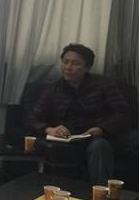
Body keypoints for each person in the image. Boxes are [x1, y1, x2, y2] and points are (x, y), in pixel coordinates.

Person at [26, 43, 132, 185]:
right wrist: (49, 129)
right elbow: (32, 118)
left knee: (99, 146)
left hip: (97, 136)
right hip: (68, 138)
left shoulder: (104, 85)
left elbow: (122, 112)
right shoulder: (53, 89)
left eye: (75, 63)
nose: (68, 67)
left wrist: (102, 128)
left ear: (87, 67)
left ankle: (100, 193)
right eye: (65, 62)